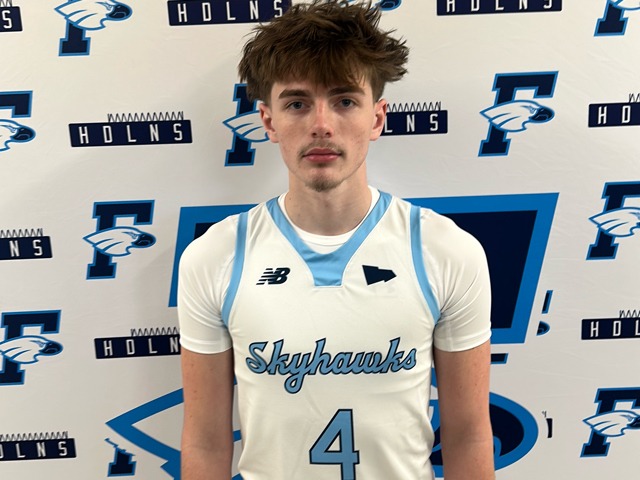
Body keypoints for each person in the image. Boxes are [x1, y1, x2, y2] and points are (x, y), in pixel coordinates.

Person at [178, 1, 495, 479]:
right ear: (268, 121)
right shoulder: (214, 257)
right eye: (297, 103)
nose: (322, 124)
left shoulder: (446, 252)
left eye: (345, 101)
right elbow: (205, 442)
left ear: (377, 118)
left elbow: (469, 434)